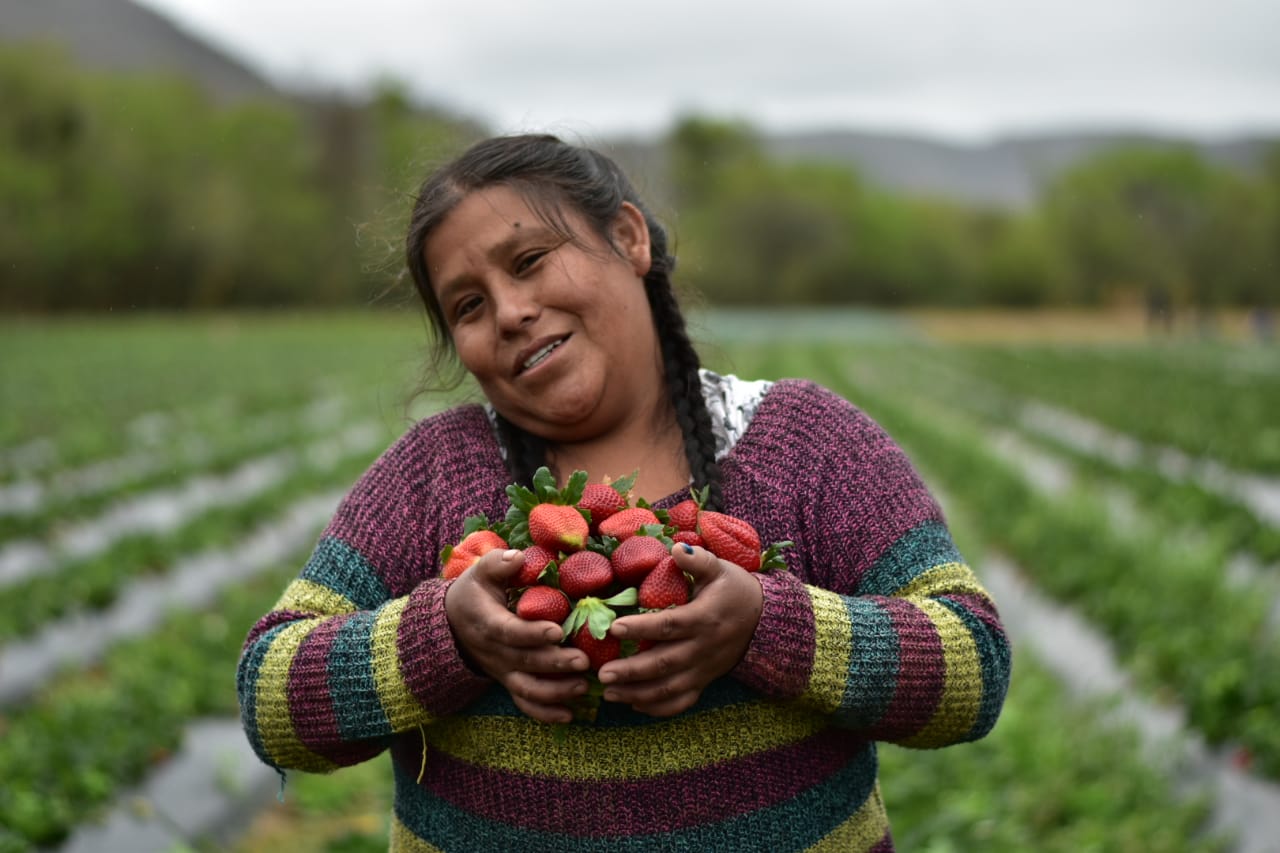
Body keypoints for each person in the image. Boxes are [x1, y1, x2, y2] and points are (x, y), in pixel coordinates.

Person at [236, 133, 1011, 852]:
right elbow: (270, 696)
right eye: (467, 305)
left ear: (629, 238)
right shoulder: (432, 475)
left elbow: (973, 665)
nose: (509, 311)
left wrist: (766, 624)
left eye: (529, 259)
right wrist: (446, 638)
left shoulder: (805, 445)